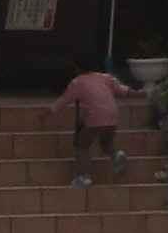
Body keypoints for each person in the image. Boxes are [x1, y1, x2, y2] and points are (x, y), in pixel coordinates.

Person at [53, 55, 137, 188]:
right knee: (106, 144)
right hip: (112, 116)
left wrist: (46, 113)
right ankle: (116, 155)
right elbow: (124, 91)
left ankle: (84, 177)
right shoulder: (106, 78)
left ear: (77, 68)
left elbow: (63, 101)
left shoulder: (77, 82)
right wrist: (143, 93)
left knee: (81, 146)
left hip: (95, 118)